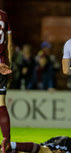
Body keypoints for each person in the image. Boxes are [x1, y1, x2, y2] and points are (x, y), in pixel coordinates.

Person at [0, 9, 13, 153]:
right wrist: (9, 65)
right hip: (2, 66)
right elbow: (9, 45)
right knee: (1, 103)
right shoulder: (4, 14)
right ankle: (6, 141)